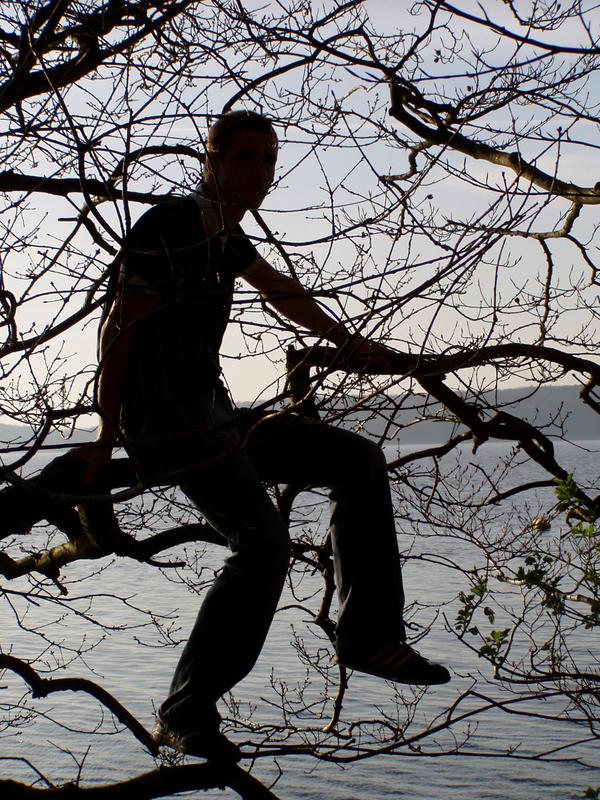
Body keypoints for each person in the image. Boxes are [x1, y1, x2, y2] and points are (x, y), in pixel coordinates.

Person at [90, 110, 450, 763]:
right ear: (213, 160)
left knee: (357, 458)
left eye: (267, 161)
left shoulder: (229, 241)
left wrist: (352, 344)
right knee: (262, 543)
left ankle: (367, 634)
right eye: (245, 158)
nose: (258, 173)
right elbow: (118, 328)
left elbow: (284, 294)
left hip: (215, 413)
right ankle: (186, 708)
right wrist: (105, 435)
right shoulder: (173, 224)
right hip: (167, 421)